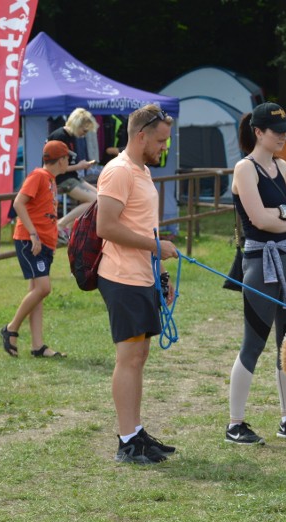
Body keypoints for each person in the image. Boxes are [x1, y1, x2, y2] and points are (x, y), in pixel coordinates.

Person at [225, 102, 286, 445]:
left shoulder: (282, 166)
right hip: (259, 264)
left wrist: (281, 213)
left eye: (285, 131)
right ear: (258, 133)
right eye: (276, 131)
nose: (283, 137)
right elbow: (259, 222)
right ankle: (235, 423)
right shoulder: (244, 169)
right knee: (254, 343)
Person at [95, 104, 178, 465]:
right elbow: (106, 227)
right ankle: (126, 440)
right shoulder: (118, 172)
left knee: (139, 358)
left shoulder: (141, 170)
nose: (164, 147)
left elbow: (143, 227)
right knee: (128, 359)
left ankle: (136, 431)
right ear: (140, 135)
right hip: (121, 277)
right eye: (160, 140)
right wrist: (157, 248)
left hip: (142, 275)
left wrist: (160, 273)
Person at [0, 141, 69, 360]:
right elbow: (18, 203)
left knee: (36, 292)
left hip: (44, 242)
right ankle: (10, 328)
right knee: (43, 288)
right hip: (31, 241)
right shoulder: (39, 176)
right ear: (61, 160)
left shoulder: (50, 178)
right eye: (68, 158)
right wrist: (32, 233)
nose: (69, 161)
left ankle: (38, 346)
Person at [47, 108, 99, 231]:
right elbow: (55, 168)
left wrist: (79, 166)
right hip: (62, 178)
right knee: (95, 200)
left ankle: (69, 226)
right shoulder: (60, 137)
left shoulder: (70, 136)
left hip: (71, 176)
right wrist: (80, 166)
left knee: (101, 197)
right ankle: (61, 224)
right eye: (84, 130)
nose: (84, 134)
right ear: (77, 124)